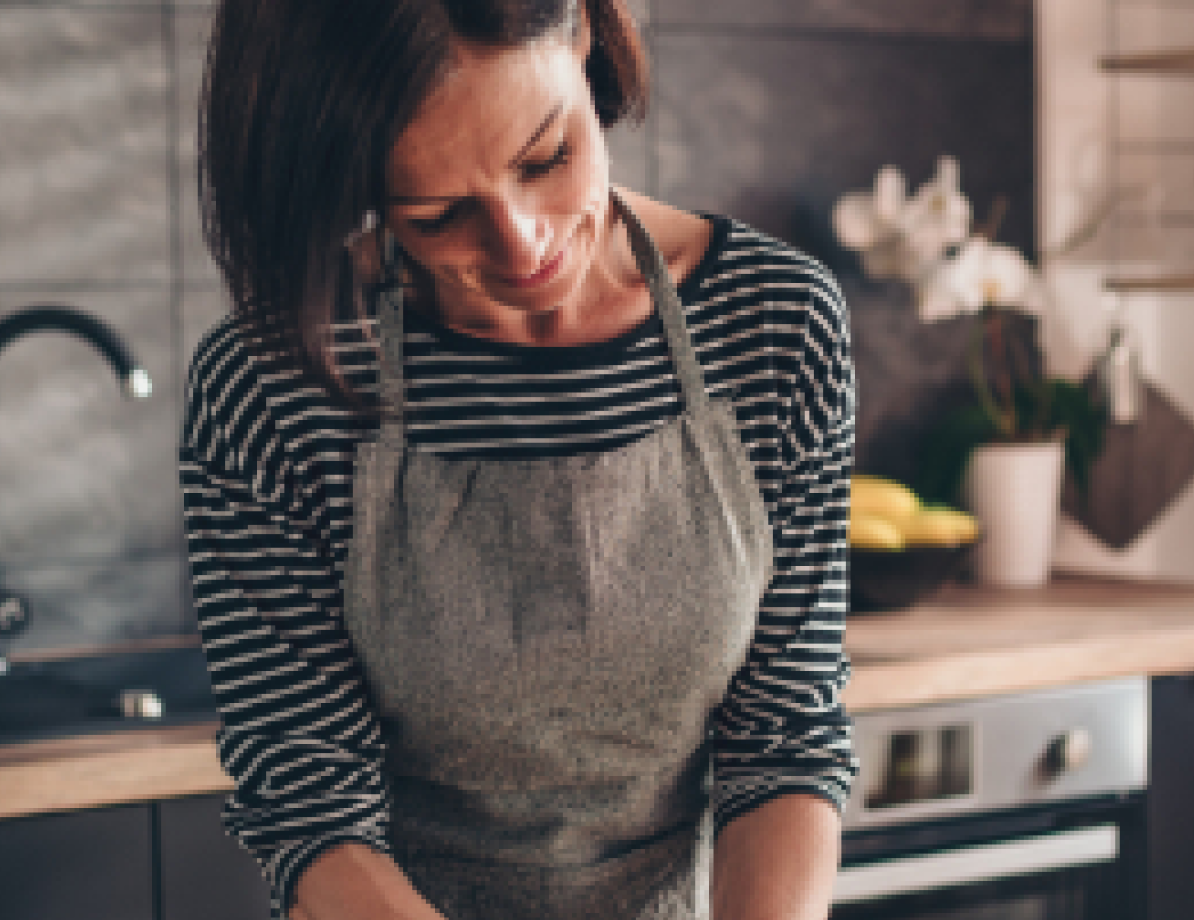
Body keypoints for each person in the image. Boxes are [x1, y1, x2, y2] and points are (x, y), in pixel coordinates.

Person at [182, 1, 856, 917]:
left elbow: (783, 743)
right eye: (438, 213)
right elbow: (312, 815)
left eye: (548, 159)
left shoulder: (773, 325)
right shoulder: (274, 382)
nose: (522, 244)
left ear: (582, 37)